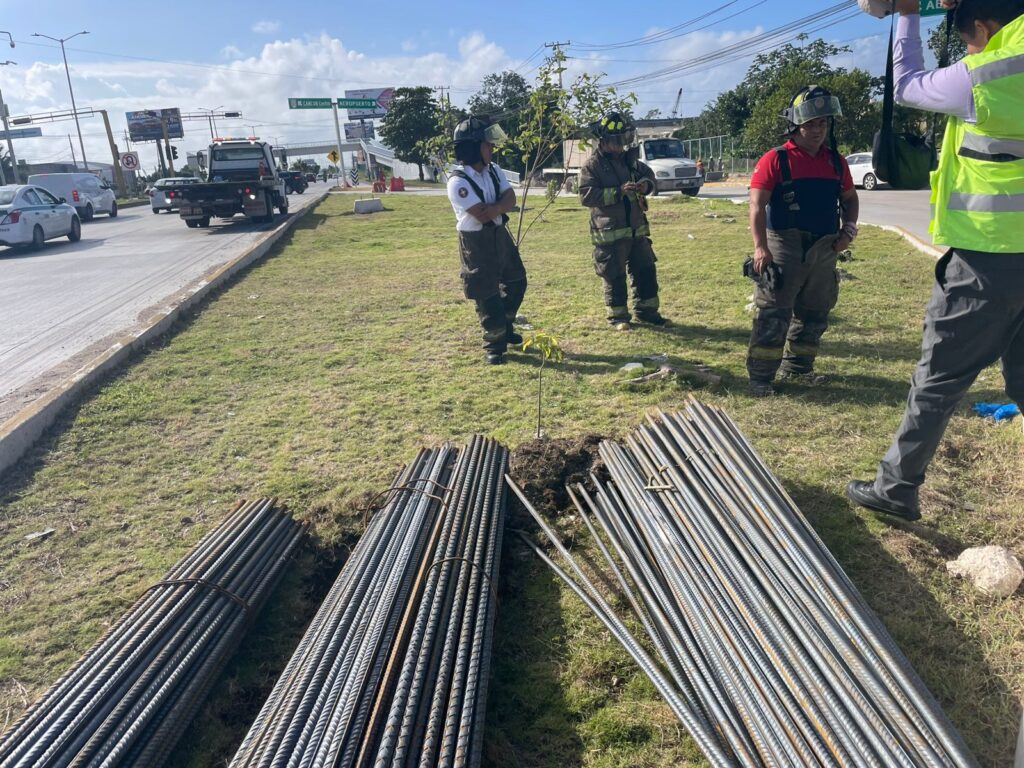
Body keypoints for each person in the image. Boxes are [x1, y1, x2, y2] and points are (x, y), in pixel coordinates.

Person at [847, 0, 1024, 521]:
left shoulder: (987, 75)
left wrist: (907, 13)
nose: (968, 50)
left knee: (940, 376)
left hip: (990, 255)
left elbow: (906, 86)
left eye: (967, 40)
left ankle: (896, 487)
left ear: (983, 27)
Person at [745, 85, 860, 397]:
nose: (818, 130)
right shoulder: (775, 159)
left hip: (825, 246)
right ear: (795, 125)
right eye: (811, 124)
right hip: (784, 244)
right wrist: (760, 247)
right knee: (774, 311)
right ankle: (761, 378)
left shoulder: (836, 162)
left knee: (815, 311)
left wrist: (848, 231)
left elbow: (850, 198)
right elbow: (756, 206)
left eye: (823, 123)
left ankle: (799, 367)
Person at [578, 112, 671, 330]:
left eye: (623, 141)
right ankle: (618, 318)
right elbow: (586, 196)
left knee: (646, 271)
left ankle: (648, 312)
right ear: (603, 141)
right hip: (610, 233)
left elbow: (650, 177)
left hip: (637, 231)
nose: (620, 147)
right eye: (616, 142)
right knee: (614, 275)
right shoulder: (592, 166)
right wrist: (618, 192)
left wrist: (645, 186)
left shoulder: (631, 162)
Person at [446, 116, 526, 366]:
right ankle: (495, 345)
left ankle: (506, 325)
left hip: (500, 235)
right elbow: (482, 214)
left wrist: (498, 207)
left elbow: (511, 199)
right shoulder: (457, 181)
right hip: (475, 241)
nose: (492, 148)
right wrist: (500, 206)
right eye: (486, 144)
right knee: (486, 292)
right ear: (473, 148)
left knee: (517, 281)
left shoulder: (494, 170)